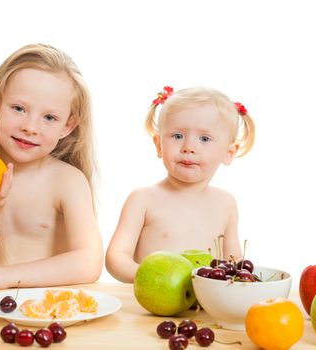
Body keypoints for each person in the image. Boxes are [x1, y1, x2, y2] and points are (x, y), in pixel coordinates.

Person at [0, 44, 103, 290]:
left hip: (52, 315)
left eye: (49, 117)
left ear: (67, 126)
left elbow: (88, 263)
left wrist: (4, 276)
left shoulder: (67, 181)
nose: (30, 127)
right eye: (19, 108)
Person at [105, 86, 255, 283]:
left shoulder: (226, 204)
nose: (188, 148)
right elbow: (116, 258)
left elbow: (233, 263)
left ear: (229, 153)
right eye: (177, 136)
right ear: (159, 145)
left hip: (205, 307)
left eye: (204, 139)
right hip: (154, 304)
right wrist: (153, 277)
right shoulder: (143, 199)